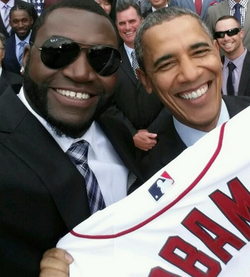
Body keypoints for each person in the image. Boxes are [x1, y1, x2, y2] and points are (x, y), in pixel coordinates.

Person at [39, 6, 250, 277]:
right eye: (166, 64)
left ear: (217, 52)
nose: (189, 73)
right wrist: (76, 265)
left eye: (199, 52)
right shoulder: (143, 187)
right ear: (145, 80)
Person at [0, 0, 145, 276]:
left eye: (102, 58)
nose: (80, 73)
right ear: (26, 57)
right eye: (59, 51)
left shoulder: (116, 133)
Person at [105, 1, 165, 155]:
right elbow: (106, 105)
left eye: (132, 21)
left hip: (165, 139)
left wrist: (152, 132)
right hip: (130, 148)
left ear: (142, 21)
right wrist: (132, 134)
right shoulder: (110, 61)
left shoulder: (161, 53)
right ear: (116, 26)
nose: (127, 27)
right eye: (122, 23)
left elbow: (174, 93)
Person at [215, 15, 250, 96]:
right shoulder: (215, 67)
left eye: (231, 32)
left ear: (241, 34)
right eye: (220, 34)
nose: (226, 38)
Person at [2, 5, 33, 74]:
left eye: (24, 20)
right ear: (10, 23)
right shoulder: (5, 45)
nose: (20, 25)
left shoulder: (40, 41)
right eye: (15, 21)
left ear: (31, 20)